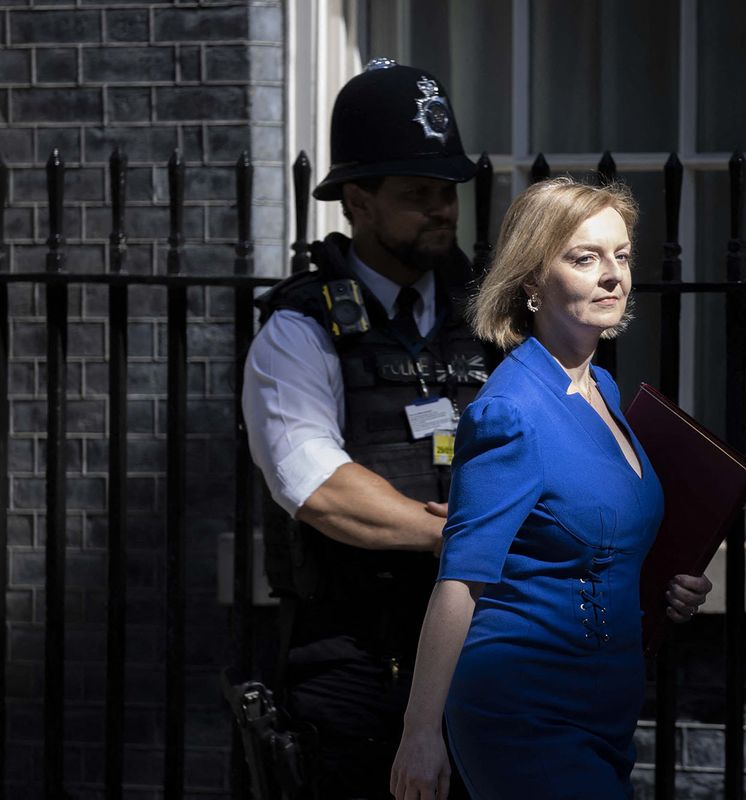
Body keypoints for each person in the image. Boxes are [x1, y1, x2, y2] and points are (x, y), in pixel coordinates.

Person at [388, 177, 714, 800]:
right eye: (585, 258)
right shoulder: (509, 411)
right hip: (523, 712)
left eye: (621, 255)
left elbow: (589, 540)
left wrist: (664, 585)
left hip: (604, 713)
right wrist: (420, 732)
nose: (612, 274)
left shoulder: (604, 391)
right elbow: (462, 578)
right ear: (533, 282)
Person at [242, 60, 487, 799]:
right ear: (359, 200)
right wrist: (458, 534)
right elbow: (315, 485)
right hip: (356, 662)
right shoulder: (298, 328)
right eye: (418, 195)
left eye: (448, 192)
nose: (443, 210)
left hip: (488, 656)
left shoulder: (495, 315)